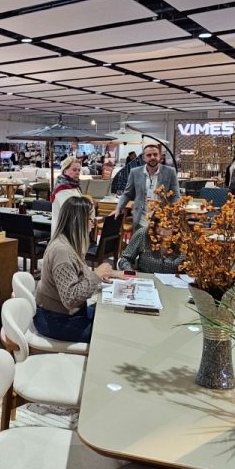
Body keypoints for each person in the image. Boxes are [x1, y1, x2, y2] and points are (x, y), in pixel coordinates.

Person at [33, 196, 114, 343]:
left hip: (63, 314)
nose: (93, 225)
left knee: (109, 317)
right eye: (91, 220)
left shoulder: (69, 244)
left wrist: (110, 274)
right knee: (108, 333)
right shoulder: (62, 251)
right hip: (55, 320)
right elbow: (70, 299)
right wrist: (96, 276)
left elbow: (80, 276)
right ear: (80, 222)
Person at [111, 144, 179, 229]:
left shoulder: (170, 172)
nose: (152, 157)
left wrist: (173, 214)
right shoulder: (135, 172)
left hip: (162, 220)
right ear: (143, 158)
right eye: (149, 155)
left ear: (160, 156)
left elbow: (175, 196)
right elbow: (127, 194)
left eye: (155, 154)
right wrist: (118, 208)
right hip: (140, 219)